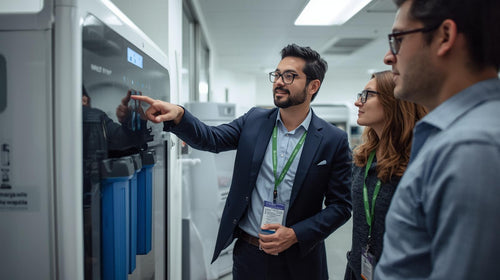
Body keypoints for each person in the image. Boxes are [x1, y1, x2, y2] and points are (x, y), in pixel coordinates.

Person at [132, 44, 352, 279]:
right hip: (250, 255)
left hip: (299, 258)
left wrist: (295, 234)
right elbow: (212, 139)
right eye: (277, 74)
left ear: (313, 86)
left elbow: (341, 207)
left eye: (290, 76)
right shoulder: (255, 120)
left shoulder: (332, 139)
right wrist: (179, 115)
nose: (279, 82)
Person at [374, 0, 500, 279]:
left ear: (444, 36)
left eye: (398, 40)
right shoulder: (455, 136)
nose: (388, 57)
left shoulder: (470, 149)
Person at [344, 70, 426, 280]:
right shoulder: (363, 158)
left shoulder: (418, 163)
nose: (357, 103)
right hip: (358, 269)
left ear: (395, 100)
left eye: (367, 95)